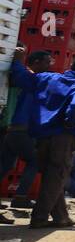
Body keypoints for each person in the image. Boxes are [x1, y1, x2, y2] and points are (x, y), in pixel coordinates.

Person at [28, 54, 75, 230]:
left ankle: (61, 217)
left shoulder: (49, 77)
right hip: (63, 136)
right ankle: (39, 217)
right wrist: (71, 122)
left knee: (52, 176)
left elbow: (30, 75)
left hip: (42, 133)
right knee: (56, 176)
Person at [0, 47, 52, 217]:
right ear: (36, 63)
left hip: (12, 130)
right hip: (21, 131)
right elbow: (23, 75)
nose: (49, 65)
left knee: (5, 165)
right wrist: (18, 60)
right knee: (33, 161)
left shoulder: (31, 78)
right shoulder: (33, 80)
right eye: (46, 61)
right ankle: (21, 196)